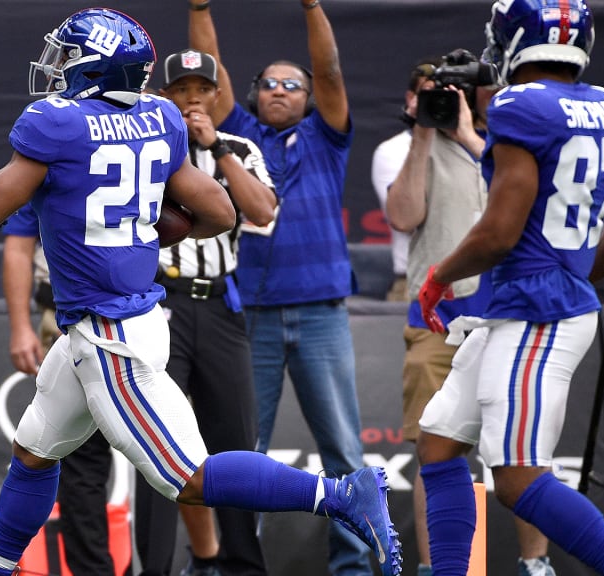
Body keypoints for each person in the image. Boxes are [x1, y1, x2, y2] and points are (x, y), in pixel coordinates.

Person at [0, 8, 400, 576]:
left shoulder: (54, 122)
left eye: (67, 55)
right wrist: (140, 231)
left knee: (189, 479)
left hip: (110, 336)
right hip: (117, 320)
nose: (56, 66)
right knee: (34, 450)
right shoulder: (159, 116)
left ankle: (342, 494)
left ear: (93, 66)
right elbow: (219, 213)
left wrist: (42, 191)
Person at [415, 2, 604, 576]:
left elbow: (500, 232)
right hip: (533, 305)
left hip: (536, 313)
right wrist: (575, 272)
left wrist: (439, 275)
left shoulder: (519, 105)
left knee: (518, 480)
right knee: (439, 442)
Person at [188, 2, 373, 573]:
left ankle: (353, 568)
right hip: (251, 317)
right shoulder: (237, 136)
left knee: (343, 449)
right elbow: (209, 66)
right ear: (252, 94)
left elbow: (331, 71)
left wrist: (312, 5)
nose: (278, 90)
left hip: (321, 315)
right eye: (268, 83)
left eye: (292, 85)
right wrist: (198, 7)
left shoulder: (327, 136)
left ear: (309, 98)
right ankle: (242, 565)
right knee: (245, 451)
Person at [386, 50, 557, 576]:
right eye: (435, 94)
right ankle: (441, 568)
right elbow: (402, 216)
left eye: (458, 91)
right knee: (435, 451)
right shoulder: (416, 147)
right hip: (438, 319)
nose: (449, 101)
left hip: (512, 314)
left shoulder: (513, 144)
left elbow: (535, 205)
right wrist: (424, 133)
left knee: (522, 451)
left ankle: (535, 565)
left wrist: (466, 133)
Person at [130, 48, 278, 576]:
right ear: (163, 96)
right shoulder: (143, 148)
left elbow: (263, 212)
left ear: (217, 96)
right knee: (157, 444)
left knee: (236, 442)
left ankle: (242, 567)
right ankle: (155, 569)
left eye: (202, 89)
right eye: (181, 90)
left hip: (219, 306)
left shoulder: (239, 147)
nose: (192, 99)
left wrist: (216, 148)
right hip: (159, 305)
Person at [2, 203, 120, 576]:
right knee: (78, 455)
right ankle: (92, 572)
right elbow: (15, 241)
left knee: (165, 459)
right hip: (68, 317)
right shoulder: (46, 165)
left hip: (139, 316)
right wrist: (20, 326)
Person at [371, 59, 438, 303]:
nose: (439, 101)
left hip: (478, 278)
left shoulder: (478, 142)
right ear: (412, 99)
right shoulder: (392, 150)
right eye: (430, 94)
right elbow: (408, 221)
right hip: (415, 282)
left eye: (447, 94)